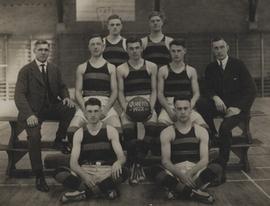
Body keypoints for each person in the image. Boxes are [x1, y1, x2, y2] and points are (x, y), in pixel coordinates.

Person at [14, 40, 76, 192]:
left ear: (49, 52)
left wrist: (66, 97)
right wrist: (28, 114)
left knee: (70, 108)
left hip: (51, 107)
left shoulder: (54, 68)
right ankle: (39, 174)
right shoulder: (26, 70)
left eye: (46, 50)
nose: (43, 52)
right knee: (34, 137)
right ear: (34, 51)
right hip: (33, 111)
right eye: (40, 49)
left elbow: (62, 87)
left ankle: (59, 139)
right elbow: (19, 95)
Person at [197, 37, 256, 183]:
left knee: (225, 129)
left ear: (227, 47)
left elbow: (251, 90)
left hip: (238, 108)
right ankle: (212, 132)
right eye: (216, 48)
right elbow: (206, 88)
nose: (219, 51)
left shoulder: (238, 64)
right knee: (202, 104)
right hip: (221, 106)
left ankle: (221, 166)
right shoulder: (210, 67)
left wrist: (238, 107)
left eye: (221, 47)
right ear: (212, 50)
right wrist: (215, 97)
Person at [53, 98, 128, 203]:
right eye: (90, 111)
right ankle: (104, 190)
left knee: (124, 172)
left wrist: (118, 162)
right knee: (58, 173)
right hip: (87, 170)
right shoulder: (79, 133)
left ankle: (84, 193)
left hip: (106, 171)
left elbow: (121, 157)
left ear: (101, 112)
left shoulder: (110, 130)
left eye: (96, 111)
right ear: (85, 113)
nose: (93, 115)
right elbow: (73, 163)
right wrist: (85, 177)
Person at [151, 95, 223, 204]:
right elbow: (166, 161)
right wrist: (181, 176)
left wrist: (188, 174)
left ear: (191, 110)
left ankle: (178, 190)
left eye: (186, 108)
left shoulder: (201, 131)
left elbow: (204, 160)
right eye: (179, 109)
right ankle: (194, 193)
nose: (183, 112)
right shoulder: (167, 132)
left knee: (218, 166)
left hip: (195, 174)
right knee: (154, 170)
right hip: (175, 173)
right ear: (174, 110)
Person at [117, 36, 158, 183]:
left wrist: (151, 107)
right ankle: (135, 164)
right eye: (131, 48)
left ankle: (137, 161)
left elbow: (154, 90)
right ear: (126, 50)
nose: (134, 51)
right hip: (129, 102)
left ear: (142, 48)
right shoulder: (121, 68)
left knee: (153, 127)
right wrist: (125, 108)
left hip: (147, 100)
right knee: (128, 130)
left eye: (137, 48)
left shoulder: (151, 66)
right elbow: (120, 92)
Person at [68, 34, 121, 141]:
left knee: (118, 131)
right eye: (93, 44)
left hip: (105, 103)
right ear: (89, 47)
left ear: (103, 46)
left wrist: (105, 110)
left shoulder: (111, 67)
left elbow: (115, 91)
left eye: (98, 44)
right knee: (71, 131)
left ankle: (109, 155)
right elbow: (77, 92)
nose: (95, 47)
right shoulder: (82, 67)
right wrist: (84, 110)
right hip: (86, 103)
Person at [158, 39, 207, 128]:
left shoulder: (191, 70)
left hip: (187, 105)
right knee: (160, 130)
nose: (176, 54)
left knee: (205, 129)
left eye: (179, 51)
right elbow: (160, 94)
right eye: (173, 51)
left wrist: (189, 108)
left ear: (184, 51)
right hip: (170, 106)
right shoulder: (163, 70)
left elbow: (196, 93)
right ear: (170, 52)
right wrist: (169, 112)